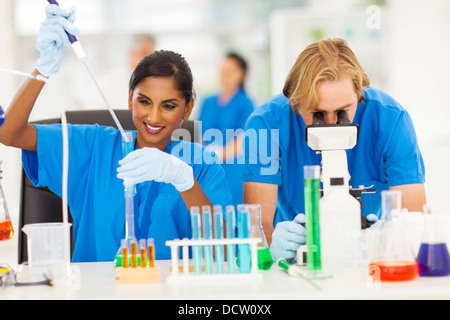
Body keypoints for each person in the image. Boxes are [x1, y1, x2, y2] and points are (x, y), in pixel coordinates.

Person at [0, 4, 232, 262]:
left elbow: (224, 251)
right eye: (144, 101)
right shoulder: (93, 147)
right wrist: (42, 69)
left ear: (187, 108)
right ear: (129, 98)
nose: (153, 117)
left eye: (168, 106)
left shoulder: (201, 165)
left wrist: (185, 182)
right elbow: (9, 134)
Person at [242, 38, 426, 262]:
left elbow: (413, 221)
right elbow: (258, 227)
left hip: (366, 258)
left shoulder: (391, 120)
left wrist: (387, 239)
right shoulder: (266, 124)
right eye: (317, 113)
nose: (330, 123)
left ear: (359, 93)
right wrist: (274, 250)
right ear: (295, 101)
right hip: (296, 259)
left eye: (342, 111)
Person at [198, 52, 255, 206]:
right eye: (222, 71)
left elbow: (245, 139)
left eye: (229, 72)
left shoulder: (245, 103)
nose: (224, 76)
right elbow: (198, 135)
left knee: (232, 220)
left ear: (241, 74)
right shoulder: (208, 102)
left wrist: (220, 154)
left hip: (234, 174)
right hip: (208, 172)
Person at [74, 33, 156, 110]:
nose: (149, 60)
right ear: (132, 53)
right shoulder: (107, 81)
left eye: (152, 55)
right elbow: (91, 113)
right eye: (144, 53)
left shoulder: (156, 82)